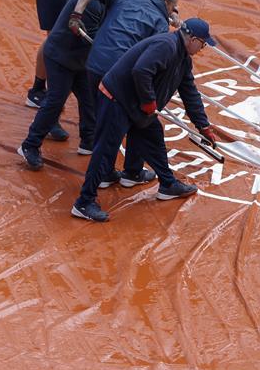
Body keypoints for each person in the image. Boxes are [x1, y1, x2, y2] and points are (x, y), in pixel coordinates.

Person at [71, 18, 220, 222]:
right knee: (105, 150)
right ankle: (84, 202)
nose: (203, 48)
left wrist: (202, 125)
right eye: (203, 43)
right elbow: (141, 70)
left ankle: (166, 184)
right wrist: (149, 101)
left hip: (135, 104)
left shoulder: (183, 59)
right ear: (193, 39)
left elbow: (190, 92)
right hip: (117, 99)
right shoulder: (166, 46)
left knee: (153, 136)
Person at [17, 0, 145, 171]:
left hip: (80, 59)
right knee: (55, 100)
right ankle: (30, 145)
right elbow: (100, 40)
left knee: (89, 100)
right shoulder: (94, 5)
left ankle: (88, 141)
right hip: (61, 57)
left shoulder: (103, 0)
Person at [67, 0, 181, 181]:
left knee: (101, 119)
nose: (174, 11)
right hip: (117, 75)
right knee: (124, 124)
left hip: (94, 64)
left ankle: (106, 167)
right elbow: (148, 64)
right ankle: (112, 175)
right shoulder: (159, 23)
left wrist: (76, 15)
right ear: (166, 2)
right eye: (174, 6)